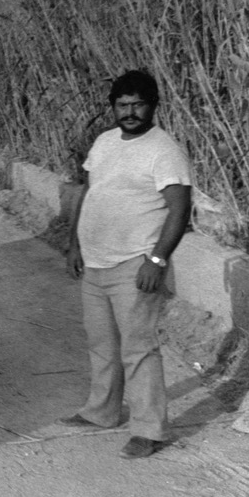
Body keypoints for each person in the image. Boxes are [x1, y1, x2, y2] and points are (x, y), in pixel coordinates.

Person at [63, 69, 192, 459]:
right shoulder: (104, 142)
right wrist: (74, 244)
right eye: (123, 105)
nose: (130, 112)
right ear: (113, 108)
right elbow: (88, 193)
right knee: (102, 344)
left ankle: (150, 430)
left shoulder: (164, 149)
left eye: (138, 104)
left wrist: (157, 259)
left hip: (135, 264)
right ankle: (101, 411)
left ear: (153, 106)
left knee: (139, 348)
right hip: (95, 263)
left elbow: (179, 209)